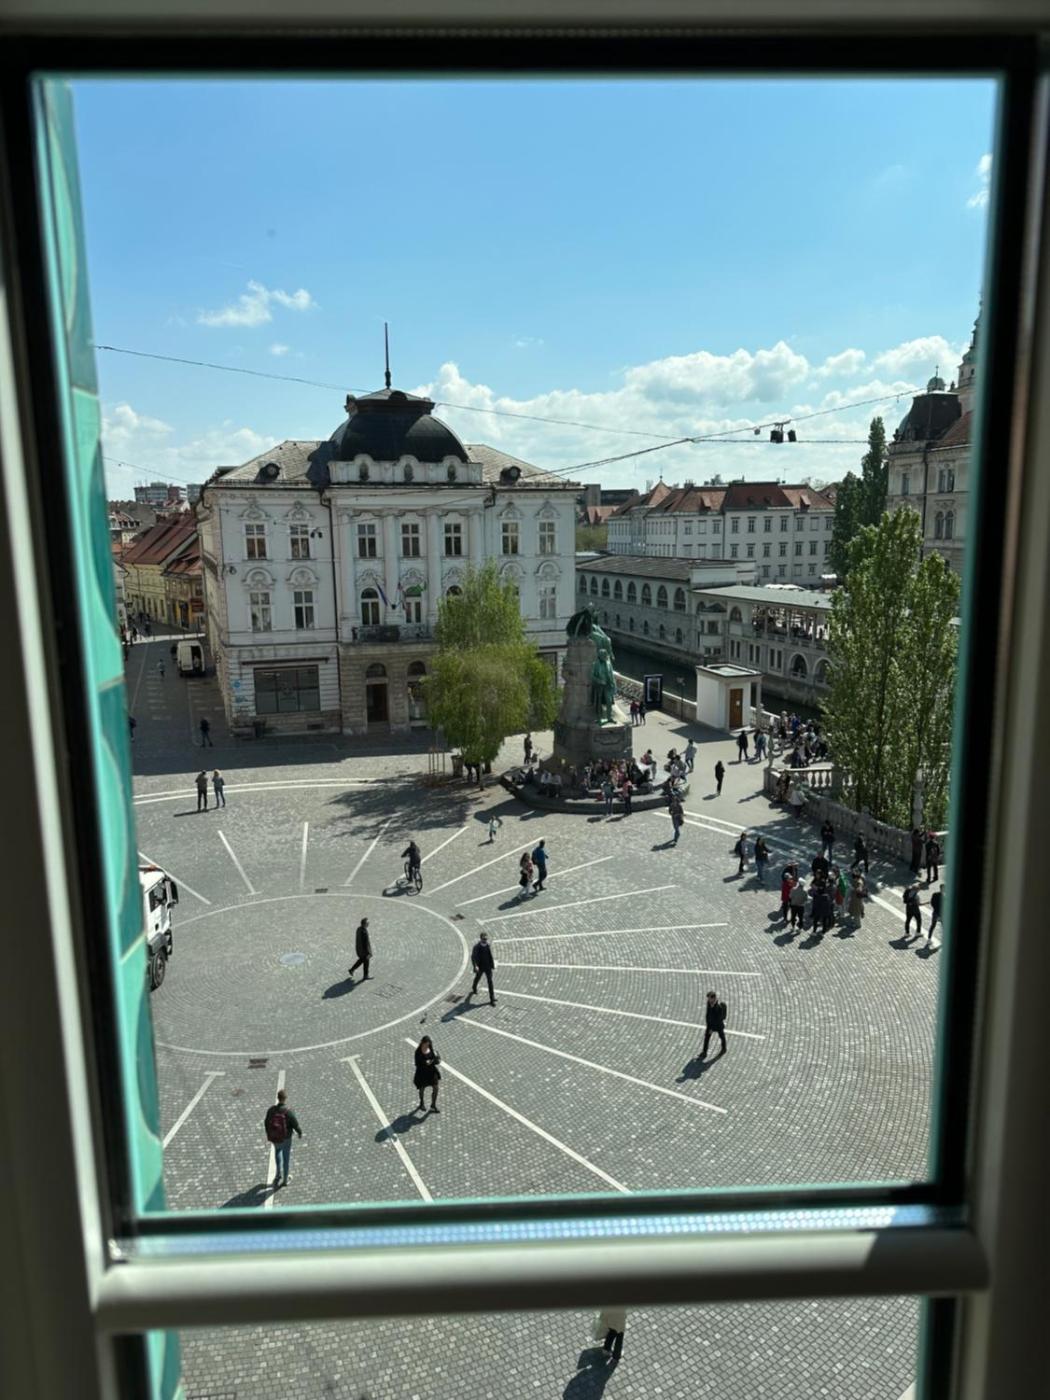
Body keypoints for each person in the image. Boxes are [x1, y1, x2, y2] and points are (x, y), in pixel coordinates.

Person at [264, 1088, 302, 1188]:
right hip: (286, 1138)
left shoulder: (271, 1110)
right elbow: (296, 1125)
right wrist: (299, 1133)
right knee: (286, 1158)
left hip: (275, 1138)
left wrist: (269, 1134)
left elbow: (266, 1123)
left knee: (277, 1152)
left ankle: (278, 1174)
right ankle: (285, 1180)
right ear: (285, 1099)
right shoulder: (288, 1111)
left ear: (278, 1098)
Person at [413, 1035, 441, 1113]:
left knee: (436, 1088)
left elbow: (435, 1059)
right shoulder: (418, 1052)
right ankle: (421, 1103)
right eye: (426, 1044)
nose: (427, 1046)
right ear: (422, 1043)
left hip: (431, 1072)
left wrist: (436, 1059)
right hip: (422, 1073)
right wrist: (425, 1063)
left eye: (428, 1044)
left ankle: (433, 1105)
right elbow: (417, 1064)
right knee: (422, 1089)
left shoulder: (431, 1049)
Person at [469, 931, 496, 1004]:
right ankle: (474, 987)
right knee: (477, 978)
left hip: (488, 967)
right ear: (481, 939)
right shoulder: (476, 947)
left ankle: (492, 998)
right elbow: (473, 957)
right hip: (480, 967)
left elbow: (490, 956)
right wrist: (475, 966)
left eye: (486, 939)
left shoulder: (487, 945)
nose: (485, 940)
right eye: (484, 939)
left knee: (490, 982)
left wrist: (492, 965)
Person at [700, 990, 728, 1058]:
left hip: (718, 1026)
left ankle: (724, 1048)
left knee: (721, 1036)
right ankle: (704, 1052)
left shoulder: (718, 1008)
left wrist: (712, 1029)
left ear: (713, 998)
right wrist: (708, 1025)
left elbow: (717, 1020)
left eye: (709, 998)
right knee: (706, 1038)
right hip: (710, 1025)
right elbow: (708, 1014)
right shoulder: (709, 1003)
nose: (708, 1000)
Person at [348, 916, 372, 980]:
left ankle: (352, 970)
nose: (368, 924)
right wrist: (368, 952)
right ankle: (365, 975)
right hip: (364, 951)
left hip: (360, 949)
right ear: (364, 924)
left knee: (361, 960)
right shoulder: (363, 932)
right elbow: (365, 943)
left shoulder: (359, 929)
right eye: (367, 923)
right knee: (366, 962)